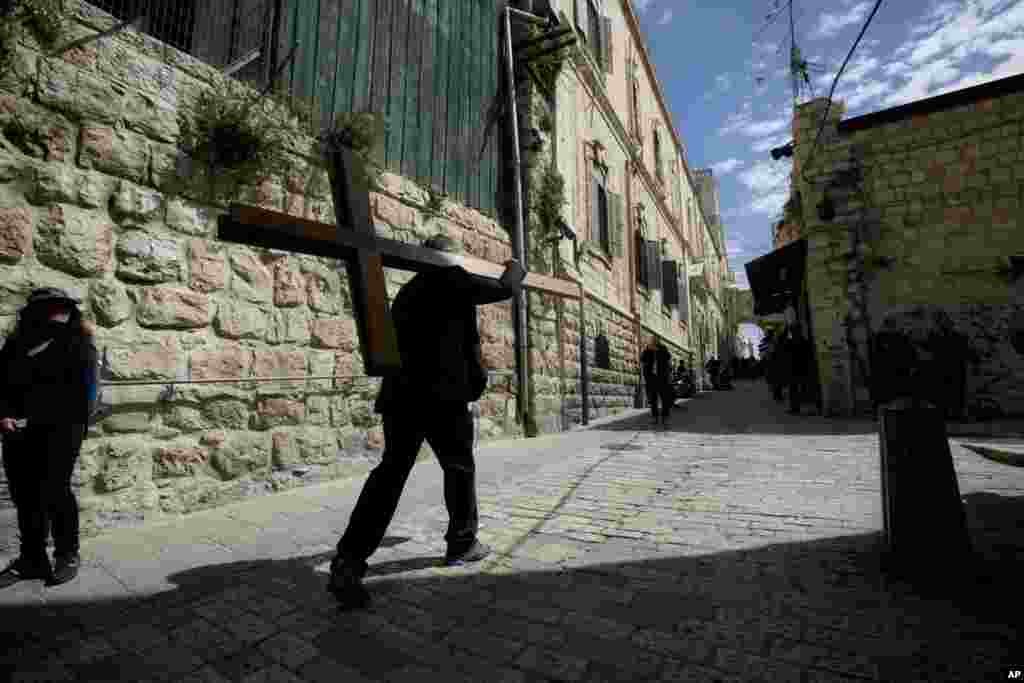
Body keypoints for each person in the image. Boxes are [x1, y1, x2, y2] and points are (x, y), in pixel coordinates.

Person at [328, 234, 526, 609]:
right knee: (459, 468)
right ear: (446, 258)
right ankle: (462, 543)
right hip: (443, 398)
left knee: (390, 474)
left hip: (401, 396)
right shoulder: (453, 279)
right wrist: (514, 273)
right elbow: (501, 288)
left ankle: (349, 559)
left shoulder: (407, 293)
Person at [0, 288, 97, 588]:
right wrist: (3, 415)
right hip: (15, 432)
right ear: (35, 313)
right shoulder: (16, 345)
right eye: (54, 306)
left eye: (66, 306)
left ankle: (67, 553)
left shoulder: (79, 347)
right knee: (24, 495)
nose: (62, 311)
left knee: (55, 490)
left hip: (61, 431)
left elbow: (81, 400)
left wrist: (36, 419)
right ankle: (32, 558)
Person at [640, 337, 673, 426]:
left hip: (662, 378)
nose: (653, 342)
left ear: (658, 342)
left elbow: (668, 359)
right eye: (652, 341)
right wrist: (647, 350)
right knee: (653, 398)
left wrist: (658, 350)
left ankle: (665, 417)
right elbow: (642, 360)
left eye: (655, 341)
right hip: (651, 378)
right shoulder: (647, 350)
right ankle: (654, 417)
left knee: (664, 398)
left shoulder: (663, 349)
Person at [787, 324, 814, 415]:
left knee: (794, 388)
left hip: (795, 368)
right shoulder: (804, 341)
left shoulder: (792, 342)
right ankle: (799, 406)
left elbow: (789, 355)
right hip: (801, 368)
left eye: (791, 330)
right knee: (801, 387)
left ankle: (795, 407)